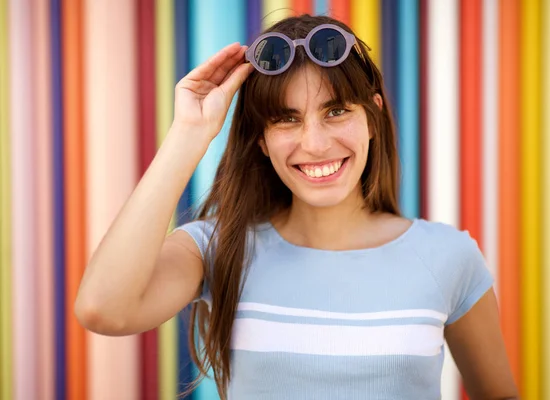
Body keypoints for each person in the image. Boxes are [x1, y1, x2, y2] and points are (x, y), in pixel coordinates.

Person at [75, 14, 518, 400]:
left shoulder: (449, 256)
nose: (315, 144)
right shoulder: (217, 248)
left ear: (373, 119)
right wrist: (189, 132)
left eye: (337, 111)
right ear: (262, 142)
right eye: (286, 119)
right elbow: (104, 309)